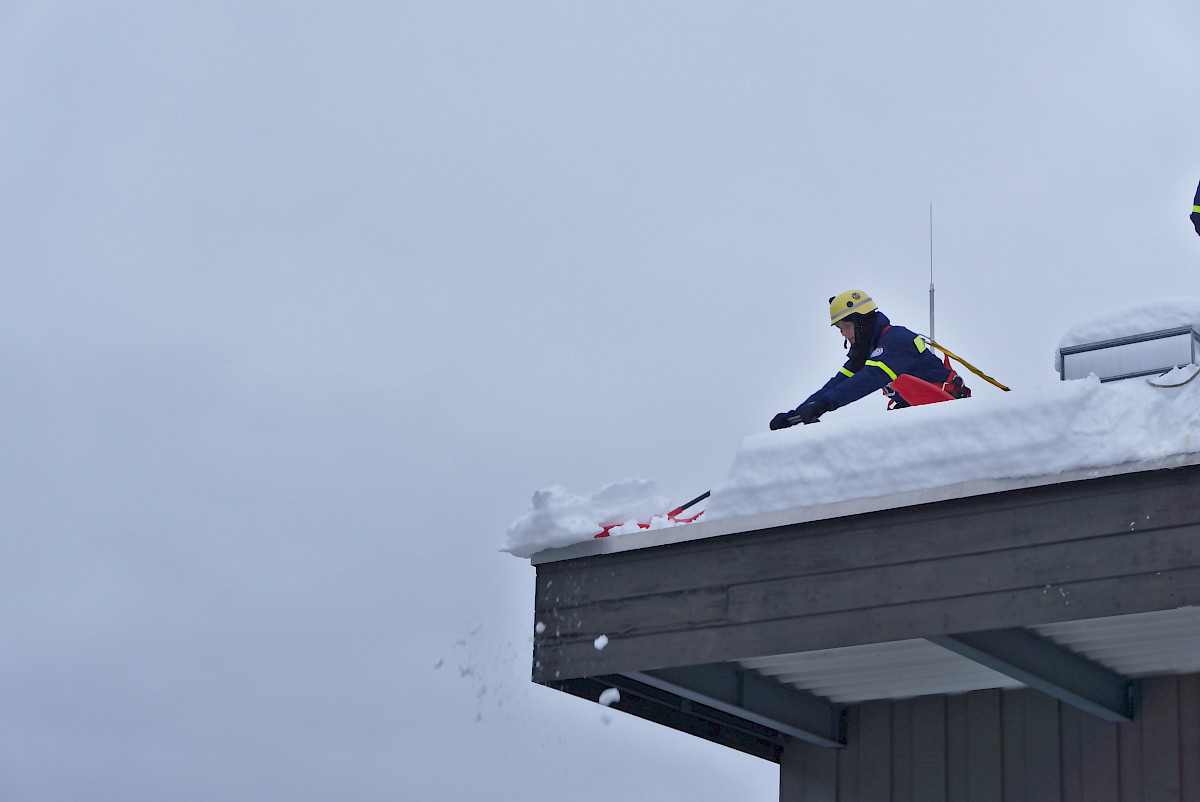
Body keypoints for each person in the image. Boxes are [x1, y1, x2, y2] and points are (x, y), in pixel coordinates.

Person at [770, 290, 968, 429]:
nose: (843, 333)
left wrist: (824, 405)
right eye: (840, 329)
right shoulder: (866, 354)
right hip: (920, 415)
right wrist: (796, 414)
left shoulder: (895, 339)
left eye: (846, 325)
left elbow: (871, 377)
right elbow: (836, 385)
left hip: (948, 410)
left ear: (862, 322)